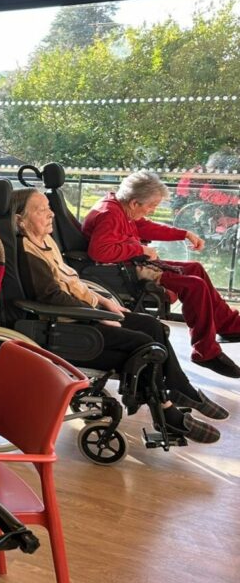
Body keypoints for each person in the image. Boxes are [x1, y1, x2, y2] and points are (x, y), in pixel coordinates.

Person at [17, 189, 227, 443]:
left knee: (153, 326)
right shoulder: (28, 252)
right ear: (20, 220)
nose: (51, 213)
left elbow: (73, 282)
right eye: (41, 210)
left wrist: (105, 302)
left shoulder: (47, 241)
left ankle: (179, 388)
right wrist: (96, 315)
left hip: (86, 308)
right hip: (69, 322)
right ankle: (168, 410)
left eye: (49, 207)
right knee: (145, 344)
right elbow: (52, 297)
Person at [82, 170, 240, 378]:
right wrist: (139, 249)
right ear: (135, 203)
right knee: (194, 285)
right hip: (126, 272)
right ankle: (205, 352)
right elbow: (99, 251)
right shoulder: (109, 214)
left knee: (195, 268)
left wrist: (184, 234)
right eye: (152, 206)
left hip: (132, 264)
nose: (153, 210)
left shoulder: (122, 207)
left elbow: (145, 227)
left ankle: (229, 325)